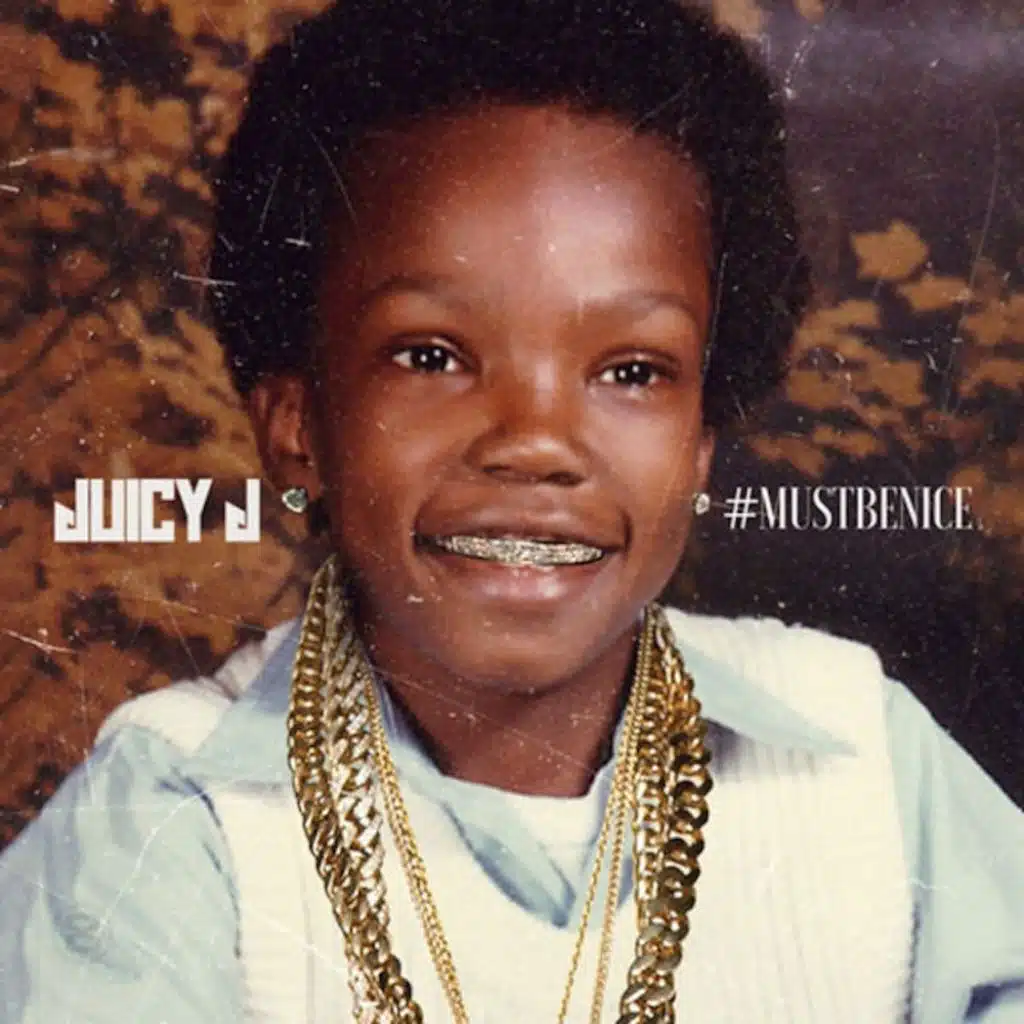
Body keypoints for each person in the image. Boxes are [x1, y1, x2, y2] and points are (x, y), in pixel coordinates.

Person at [1, 1, 1022, 1021]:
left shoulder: (865, 752)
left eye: (632, 370)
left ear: (701, 443)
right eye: (431, 356)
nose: (535, 440)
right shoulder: (168, 819)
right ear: (298, 425)